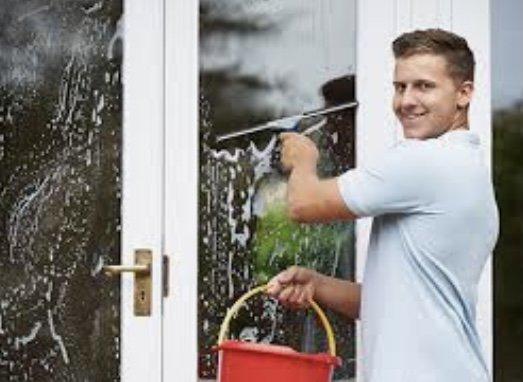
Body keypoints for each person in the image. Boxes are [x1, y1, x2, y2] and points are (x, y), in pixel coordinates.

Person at [266, 29, 499, 381]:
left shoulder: (428, 161)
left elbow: (303, 205)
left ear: (464, 93)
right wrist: (316, 283)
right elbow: (387, 304)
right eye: (399, 86)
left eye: (424, 86)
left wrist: (302, 159)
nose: (406, 100)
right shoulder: (465, 167)